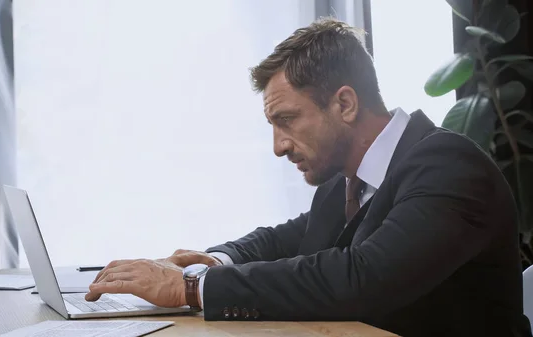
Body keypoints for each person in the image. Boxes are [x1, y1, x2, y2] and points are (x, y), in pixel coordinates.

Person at [84, 17, 532, 336]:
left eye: (287, 120)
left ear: (345, 104)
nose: (279, 145)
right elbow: (280, 241)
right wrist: (208, 262)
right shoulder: (347, 181)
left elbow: (365, 277)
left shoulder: (451, 167)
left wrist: (189, 289)